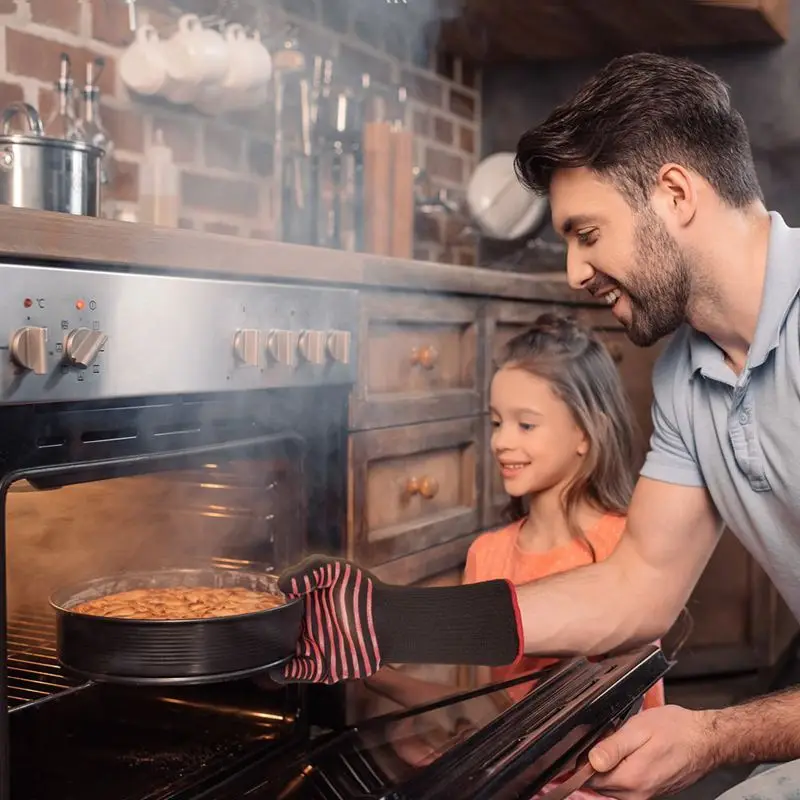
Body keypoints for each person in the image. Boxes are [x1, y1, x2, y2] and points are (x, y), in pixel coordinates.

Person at [273, 52, 800, 800]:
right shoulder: (686, 371)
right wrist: (393, 621)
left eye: (587, 232)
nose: (573, 271)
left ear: (676, 193)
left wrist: (714, 736)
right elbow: (638, 583)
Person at [364, 314, 666, 798]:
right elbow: (486, 710)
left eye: (526, 424)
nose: (502, 441)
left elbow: (643, 722)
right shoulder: (488, 554)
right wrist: (368, 670)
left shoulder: (627, 549)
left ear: (585, 433)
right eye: (497, 422)